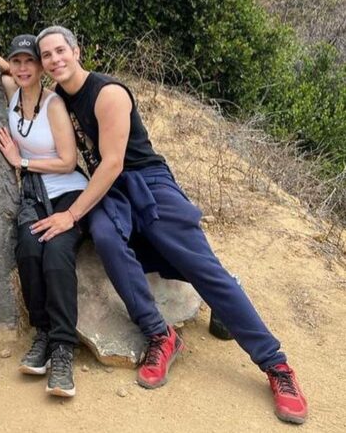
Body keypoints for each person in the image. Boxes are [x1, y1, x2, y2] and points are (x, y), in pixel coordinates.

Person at [29, 25, 308, 424]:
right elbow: (16, 75)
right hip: (108, 192)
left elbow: (112, 163)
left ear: (77, 51)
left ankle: (276, 365)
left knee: (194, 262)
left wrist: (72, 214)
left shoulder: (107, 93)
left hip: (145, 181)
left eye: (61, 51)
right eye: (47, 56)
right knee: (107, 239)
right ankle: (161, 334)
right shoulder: (58, 98)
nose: (55, 60)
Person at [0, 36, 88, 397]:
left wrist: (21, 161)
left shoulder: (54, 104)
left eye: (31, 61)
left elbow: (68, 161)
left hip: (66, 192)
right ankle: (42, 333)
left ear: (43, 68)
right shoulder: (13, 90)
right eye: (18, 61)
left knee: (56, 252)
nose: (24, 68)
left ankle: (62, 348)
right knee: (28, 248)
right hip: (33, 195)